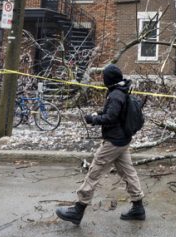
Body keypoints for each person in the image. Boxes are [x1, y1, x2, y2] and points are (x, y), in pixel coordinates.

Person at [55, 64, 145, 225]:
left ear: (108, 79)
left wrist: (93, 119)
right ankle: (138, 207)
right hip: (123, 140)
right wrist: (99, 113)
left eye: (104, 77)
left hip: (114, 142)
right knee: (128, 172)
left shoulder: (116, 95)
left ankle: (78, 209)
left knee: (95, 171)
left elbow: (110, 118)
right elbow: (114, 113)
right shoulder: (120, 90)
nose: (102, 79)